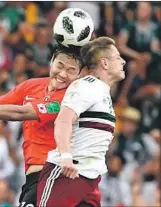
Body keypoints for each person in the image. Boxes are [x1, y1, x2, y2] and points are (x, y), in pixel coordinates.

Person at [0, 44, 83, 207]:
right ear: (52, 61)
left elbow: (21, 113)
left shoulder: (69, 98)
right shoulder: (31, 86)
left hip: (53, 176)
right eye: (60, 65)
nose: (63, 74)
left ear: (79, 75)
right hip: (33, 178)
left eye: (71, 70)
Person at [36, 36, 126, 207]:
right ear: (104, 63)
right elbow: (63, 121)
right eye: (118, 57)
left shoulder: (102, 92)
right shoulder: (86, 86)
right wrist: (66, 156)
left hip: (89, 179)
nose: (123, 61)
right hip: (67, 174)